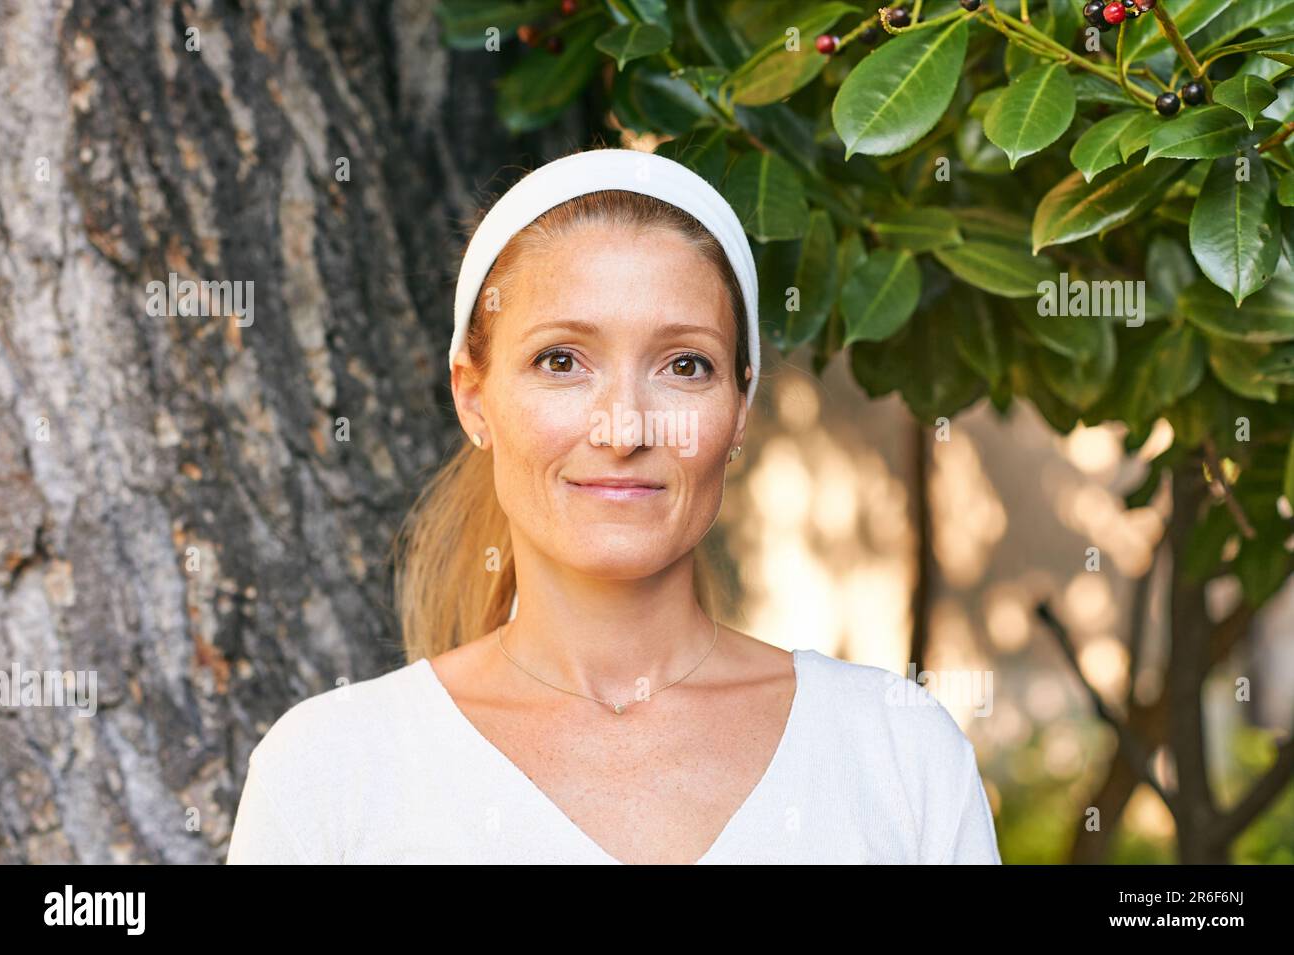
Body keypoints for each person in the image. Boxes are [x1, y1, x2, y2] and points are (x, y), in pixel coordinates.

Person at [226, 147, 1002, 864]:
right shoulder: (327, 773)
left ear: (739, 408)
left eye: (684, 365)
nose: (624, 426)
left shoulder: (897, 750)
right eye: (561, 361)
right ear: (474, 397)